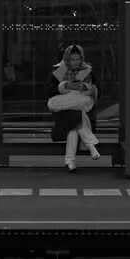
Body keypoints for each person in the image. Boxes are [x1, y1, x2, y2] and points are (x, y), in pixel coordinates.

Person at [50, 43, 100, 171]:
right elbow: (50, 93)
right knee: (70, 118)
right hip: (66, 111)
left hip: (81, 103)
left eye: (78, 59)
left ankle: (71, 160)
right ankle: (89, 147)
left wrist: (88, 90)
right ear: (67, 59)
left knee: (76, 114)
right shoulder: (59, 71)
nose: (75, 62)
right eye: (72, 59)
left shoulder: (87, 70)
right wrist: (65, 87)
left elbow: (94, 91)